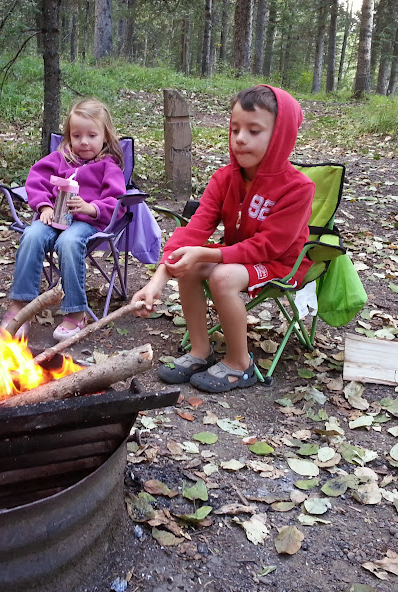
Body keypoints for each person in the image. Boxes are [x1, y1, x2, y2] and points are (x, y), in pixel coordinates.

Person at [132, 85, 314, 393]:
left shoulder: (298, 188)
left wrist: (208, 255)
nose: (240, 138)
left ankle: (240, 364)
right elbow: (194, 230)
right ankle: (200, 351)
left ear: (280, 136)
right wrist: (157, 280)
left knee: (223, 276)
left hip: (281, 263)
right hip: (238, 255)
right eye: (235, 129)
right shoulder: (224, 179)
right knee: (192, 265)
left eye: (253, 131)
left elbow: (269, 246)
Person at [1, 99, 126, 341]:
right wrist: (44, 206)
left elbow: (117, 200)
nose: (84, 141)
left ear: (105, 137)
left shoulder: (108, 166)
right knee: (32, 234)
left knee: (68, 241)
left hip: (87, 223)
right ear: (69, 136)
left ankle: (76, 312)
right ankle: (19, 308)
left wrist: (91, 208)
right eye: (77, 135)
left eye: (92, 135)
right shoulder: (60, 159)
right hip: (53, 216)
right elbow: (36, 181)